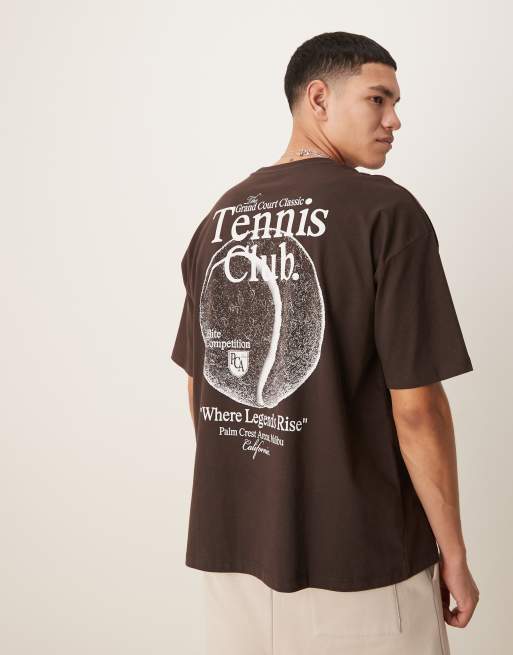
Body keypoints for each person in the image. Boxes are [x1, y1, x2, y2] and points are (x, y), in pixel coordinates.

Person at [170, 30, 479, 655]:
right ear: (318, 99)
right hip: (362, 566)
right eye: (377, 99)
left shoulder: (219, 218)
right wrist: (454, 553)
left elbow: (202, 389)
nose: (394, 121)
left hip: (236, 564)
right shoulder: (385, 213)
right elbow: (417, 409)